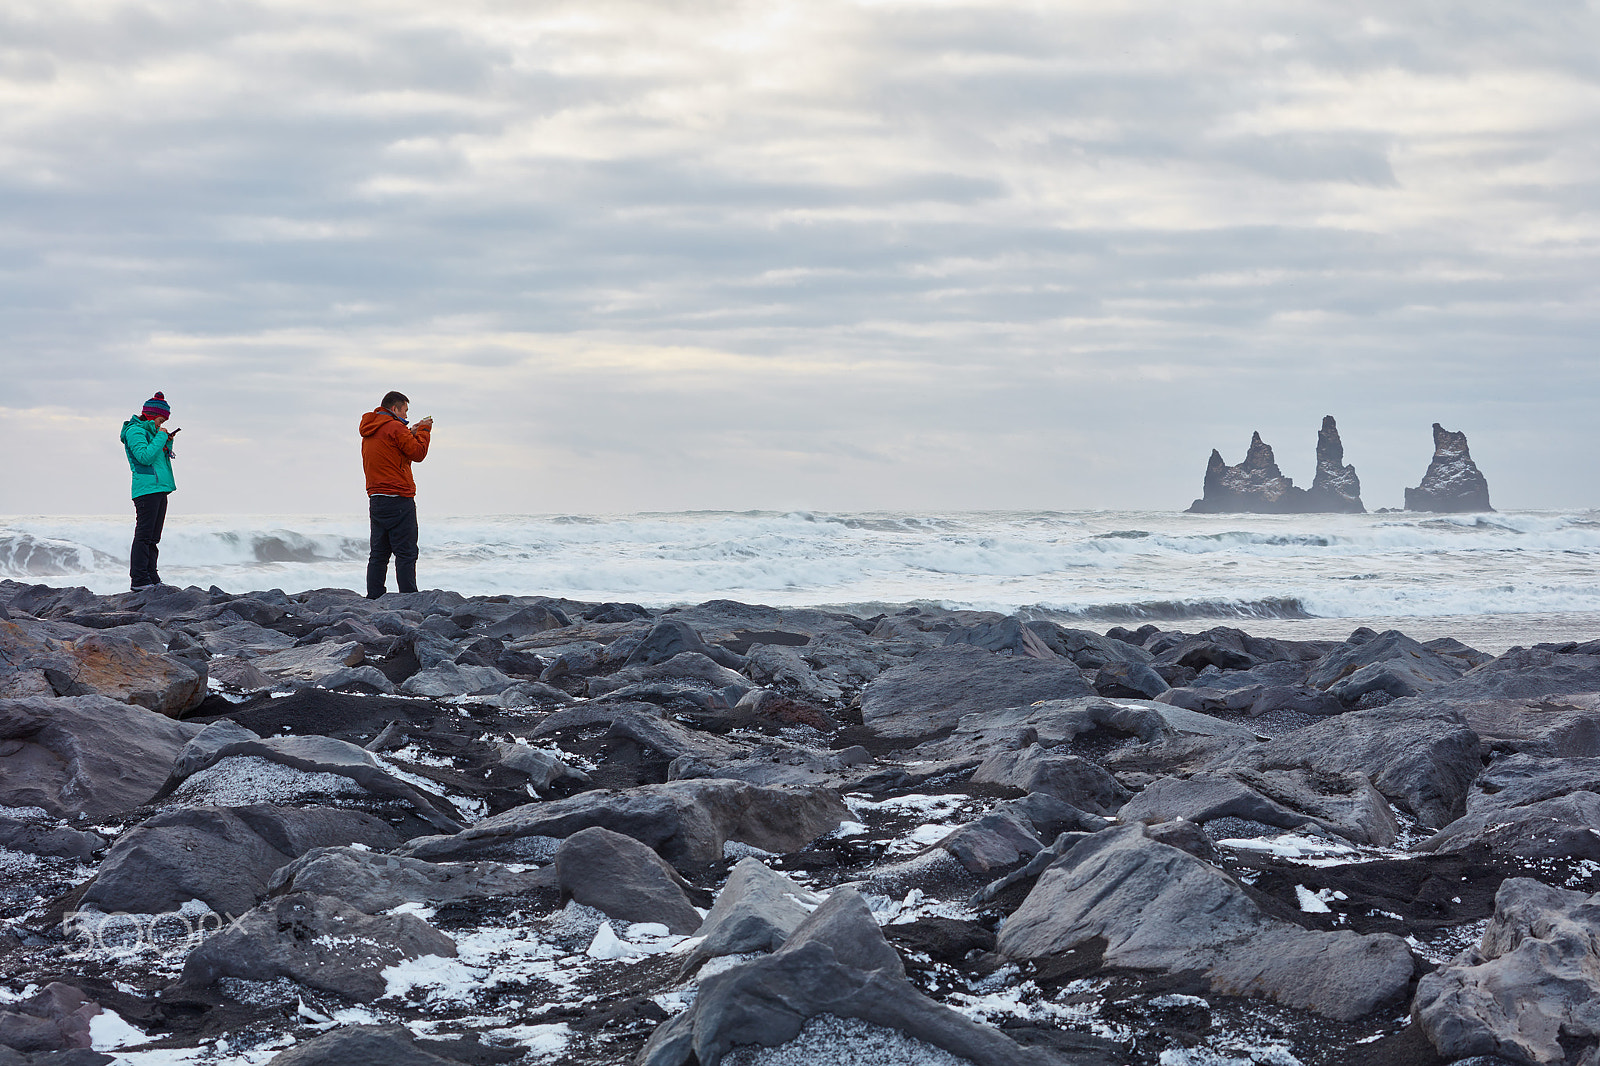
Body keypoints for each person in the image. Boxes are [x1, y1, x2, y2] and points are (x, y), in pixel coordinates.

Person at [359, 390, 432, 599]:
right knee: (406, 552)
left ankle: (374, 596)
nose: (407, 416)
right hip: (399, 497)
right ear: (395, 409)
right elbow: (417, 453)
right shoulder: (395, 428)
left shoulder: (371, 429)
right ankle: (408, 598)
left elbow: (393, 446)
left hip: (376, 498)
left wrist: (410, 431)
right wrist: (424, 430)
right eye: (405, 411)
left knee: (379, 553)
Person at [121, 391, 180, 591]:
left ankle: (152, 576)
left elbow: (157, 459)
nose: (161, 424)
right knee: (144, 536)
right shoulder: (134, 431)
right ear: (152, 415)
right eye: (160, 420)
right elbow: (144, 457)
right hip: (146, 489)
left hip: (160, 488)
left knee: (154, 537)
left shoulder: (154, 433)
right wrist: (160, 437)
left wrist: (166, 441)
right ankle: (138, 580)